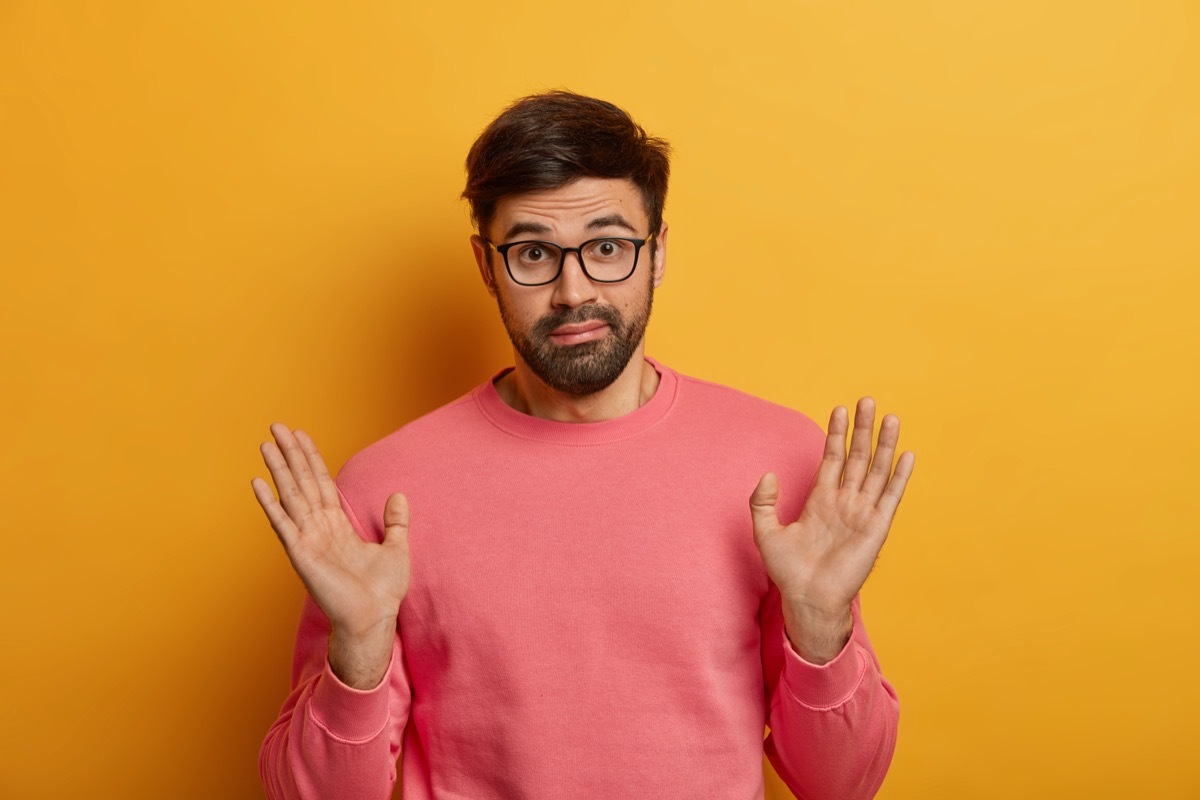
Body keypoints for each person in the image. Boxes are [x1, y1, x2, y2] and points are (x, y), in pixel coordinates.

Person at [251, 90, 914, 800]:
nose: (573, 292)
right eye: (534, 252)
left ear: (656, 252)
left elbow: (844, 784)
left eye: (607, 247)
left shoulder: (779, 461)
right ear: (486, 265)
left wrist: (821, 627)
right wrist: (357, 654)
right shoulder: (384, 488)